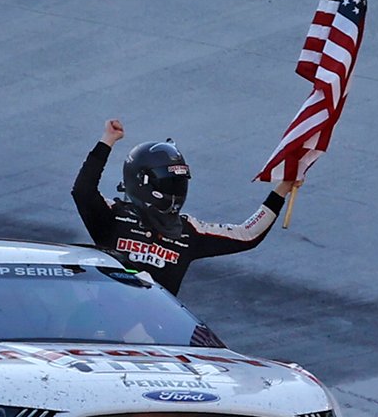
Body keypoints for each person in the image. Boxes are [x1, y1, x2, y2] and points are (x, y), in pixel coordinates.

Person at [72, 118, 291, 296]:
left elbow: (247, 234)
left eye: (178, 182)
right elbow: (83, 191)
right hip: (102, 327)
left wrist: (281, 190)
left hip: (153, 336)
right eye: (169, 183)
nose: (175, 190)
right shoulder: (111, 218)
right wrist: (107, 140)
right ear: (142, 182)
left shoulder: (189, 231)